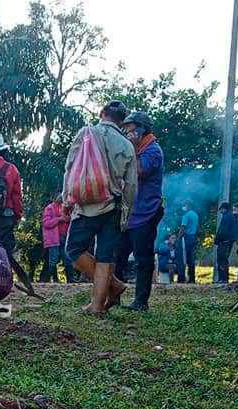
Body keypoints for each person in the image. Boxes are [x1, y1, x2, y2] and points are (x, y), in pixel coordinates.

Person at [62, 101, 137, 316]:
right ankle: (98, 303)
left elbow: (70, 168)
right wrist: (126, 213)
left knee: (74, 250)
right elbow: (131, 186)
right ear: (122, 122)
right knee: (105, 257)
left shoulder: (86, 134)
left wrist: (67, 200)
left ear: (102, 113)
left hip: (86, 205)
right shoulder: (126, 145)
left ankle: (111, 287)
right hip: (113, 206)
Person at [121, 111, 165, 311]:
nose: (126, 132)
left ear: (140, 129)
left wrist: (128, 148)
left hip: (146, 213)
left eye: (129, 128)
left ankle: (141, 302)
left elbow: (138, 170)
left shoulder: (153, 151)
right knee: (117, 256)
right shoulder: (138, 148)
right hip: (129, 213)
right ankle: (113, 297)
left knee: (143, 259)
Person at [0, 134, 23, 259]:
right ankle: (5, 275)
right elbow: (16, 196)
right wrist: (17, 215)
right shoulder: (12, 169)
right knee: (5, 248)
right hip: (6, 214)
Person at [40, 194, 69, 283]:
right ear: (54, 197)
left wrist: (67, 219)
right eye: (58, 195)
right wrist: (59, 219)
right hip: (53, 239)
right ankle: (53, 279)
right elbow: (46, 223)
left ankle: (70, 278)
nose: (60, 197)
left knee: (67, 258)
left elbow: (68, 219)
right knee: (53, 258)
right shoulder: (49, 208)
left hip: (64, 237)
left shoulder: (65, 207)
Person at [213, 203, 238, 283]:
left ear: (224, 208)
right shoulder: (230, 216)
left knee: (221, 259)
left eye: (221, 209)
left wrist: (217, 240)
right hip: (228, 241)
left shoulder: (227, 216)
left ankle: (222, 279)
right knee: (224, 259)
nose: (220, 211)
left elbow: (223, 230)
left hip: (224, 241)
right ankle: (223, 279)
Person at [178, 201, 199, 283]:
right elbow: (198, 227)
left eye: (184, 205)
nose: (183, 207)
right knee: (191, 259)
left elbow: (183, 228)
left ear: (188, 206)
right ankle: (192, 279)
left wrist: (178, 238)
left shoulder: (186, 215)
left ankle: (181, 278)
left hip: (186, 238)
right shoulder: (195, 215)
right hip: (193, 237)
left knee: (182, 258)